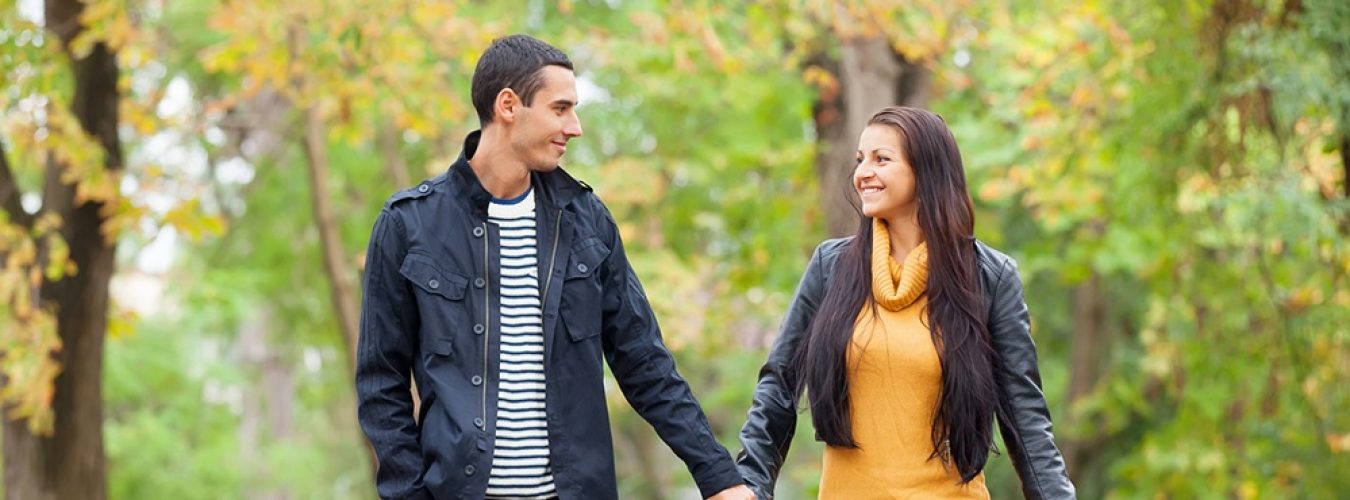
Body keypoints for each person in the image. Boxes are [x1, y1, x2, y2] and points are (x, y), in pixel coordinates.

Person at [356, 34, 754, 500]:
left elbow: (644, 362)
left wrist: (719, 477)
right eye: (560, 109)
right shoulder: (410, 225)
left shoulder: (587, 221)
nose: (575, 126)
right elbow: (380, 382)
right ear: (508, 105)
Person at [735, 106, 1076, 499]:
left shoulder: (988, 278)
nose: (863, 172)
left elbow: (1024, 415)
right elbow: (779, 384)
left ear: (926, 171)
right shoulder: (832, 268)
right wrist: (751, 484)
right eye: (860, 160)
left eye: (882, 159)